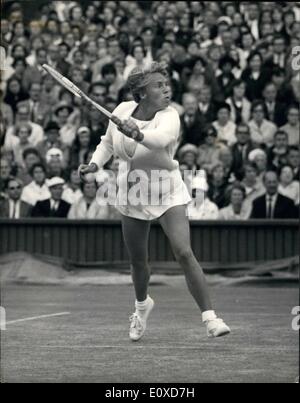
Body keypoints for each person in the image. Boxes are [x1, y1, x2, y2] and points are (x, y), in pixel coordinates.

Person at [79, 62, 230, 341]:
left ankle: (211, 318)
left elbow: (163, 139)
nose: (166, 89)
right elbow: (107, 144)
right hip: (132, 192)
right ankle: (141, 307)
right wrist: (93, 164)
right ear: (142, 92)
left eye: (166, 84)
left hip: (167, 191)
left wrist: (137, 133)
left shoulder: (170, 115)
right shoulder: (122, 111)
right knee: (139, 261)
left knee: (183, 252)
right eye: (158, 85)